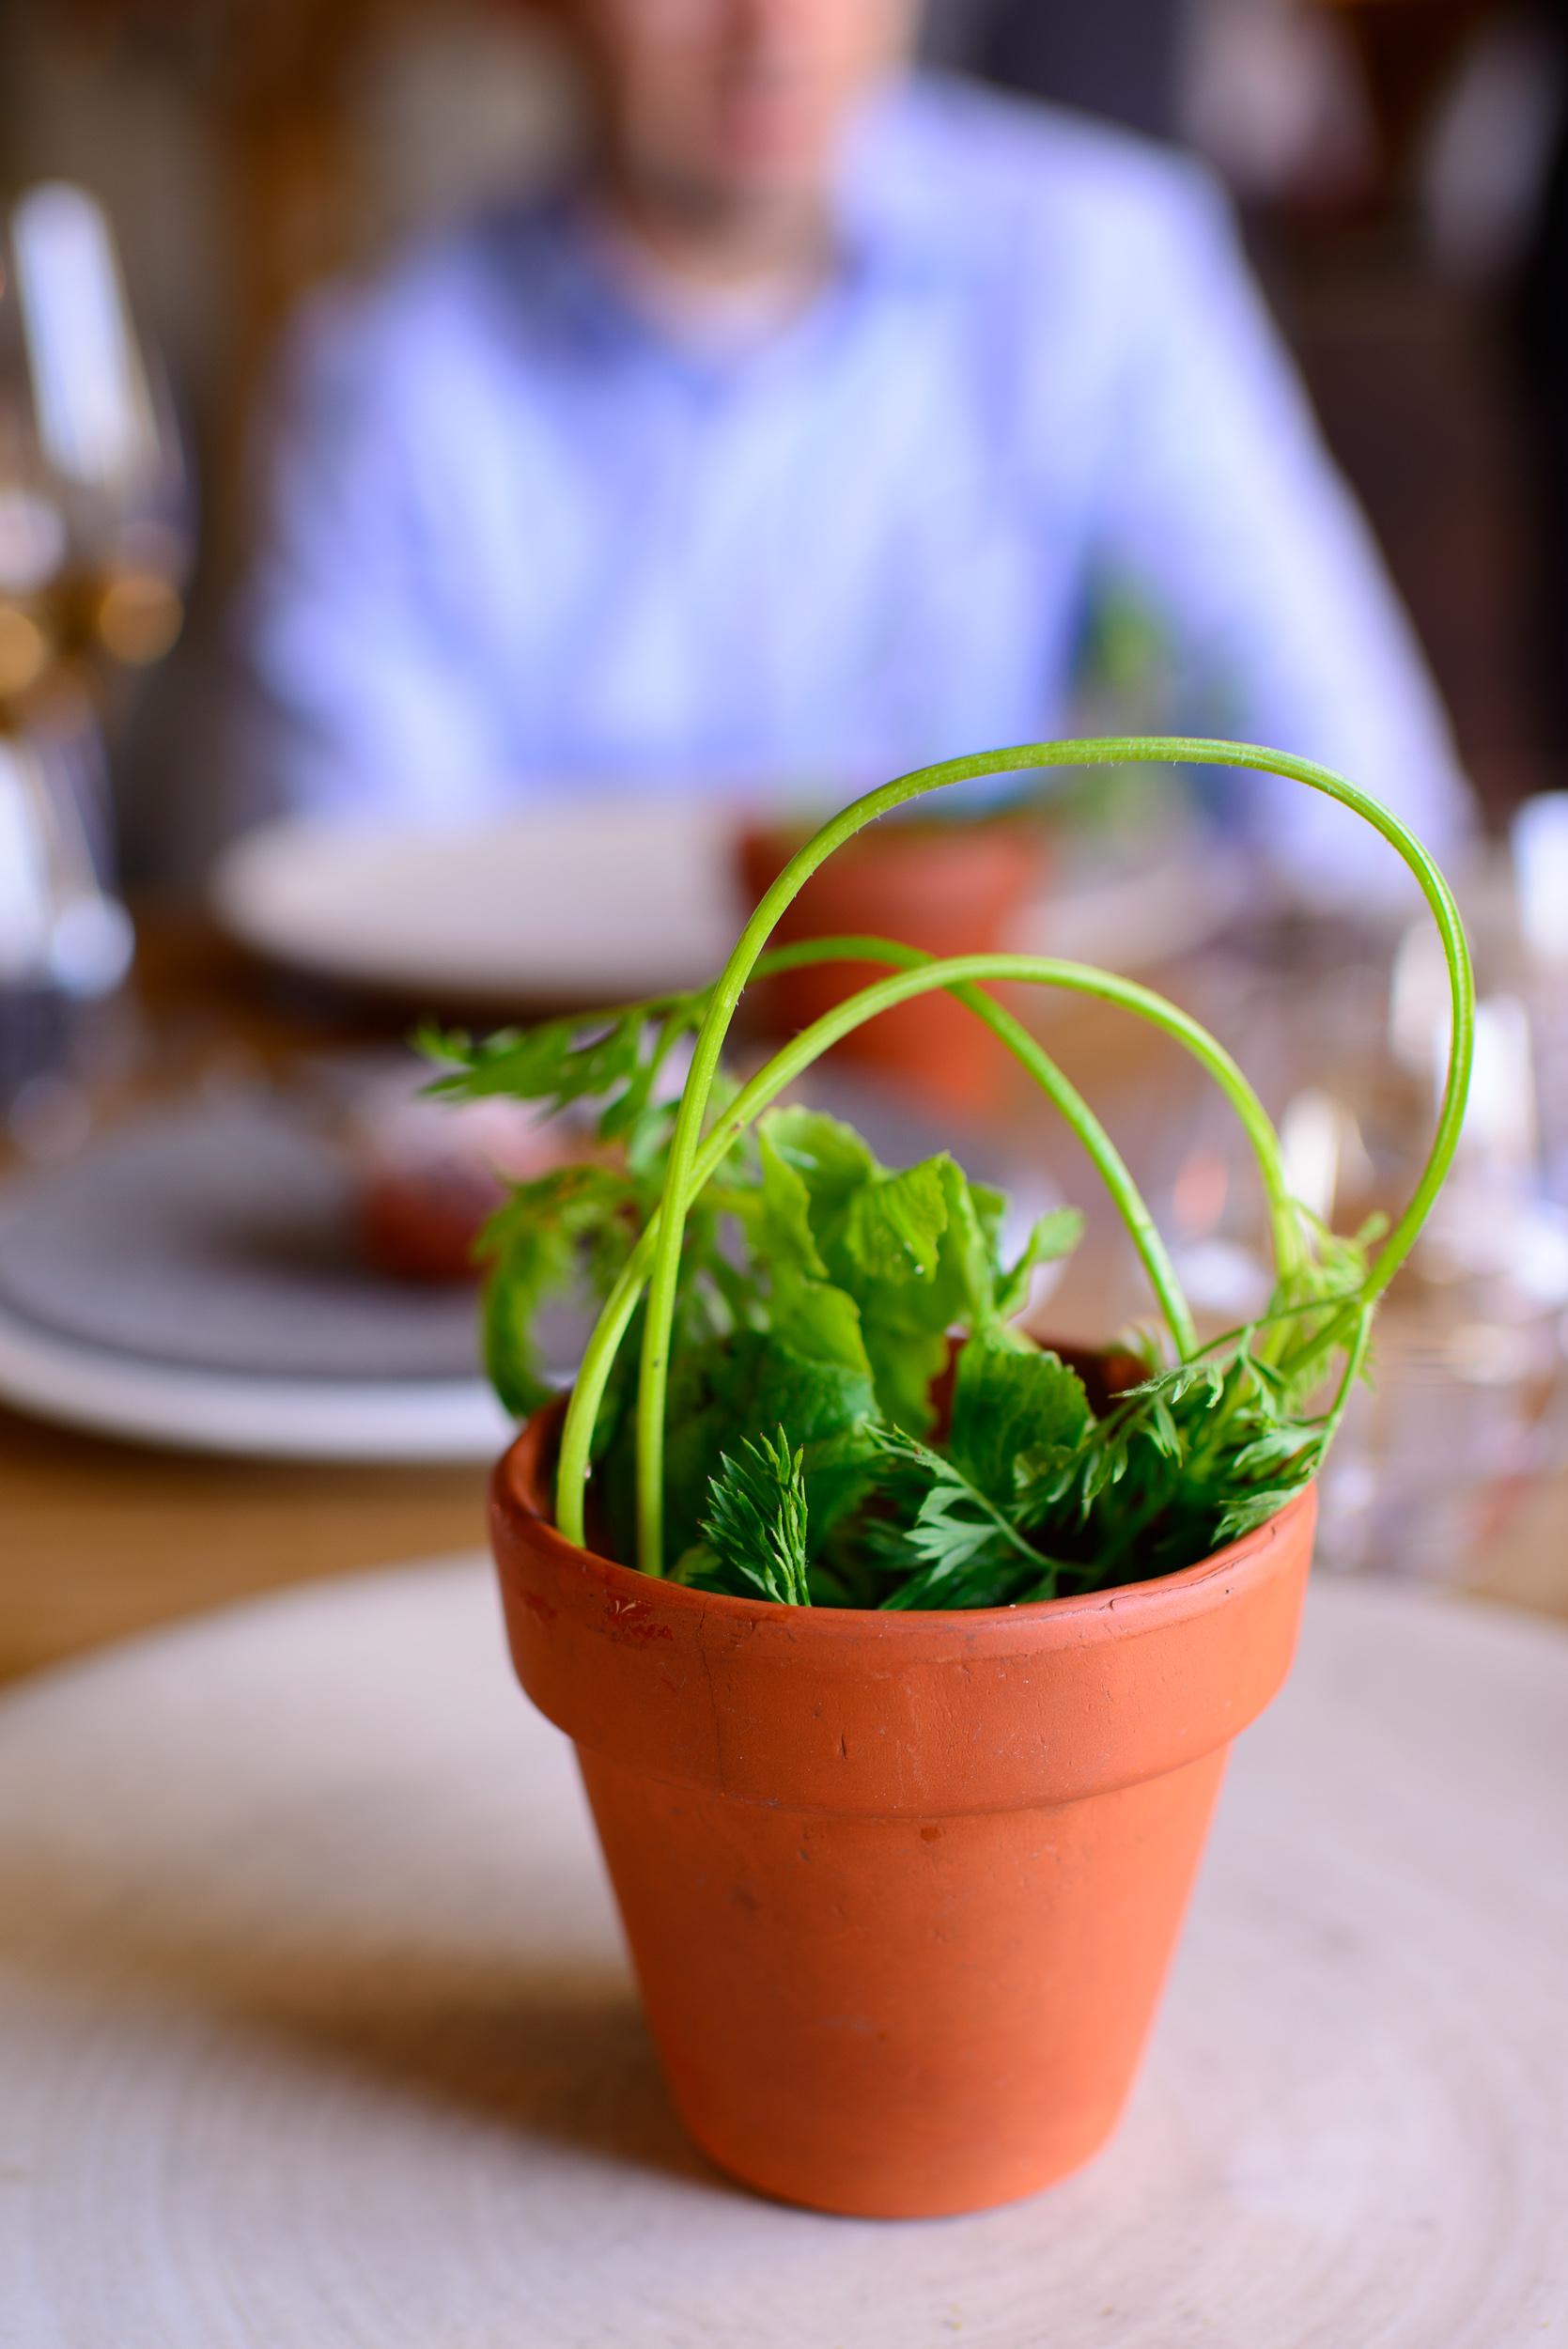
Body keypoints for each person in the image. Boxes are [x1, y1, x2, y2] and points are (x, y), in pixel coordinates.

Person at [238, 0, 1474, 907]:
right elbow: (377, 904)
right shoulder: (388, 380)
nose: (772, 30)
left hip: (1001, 1143)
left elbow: (1359, 807)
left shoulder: (1100, 265)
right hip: (589, 1179)